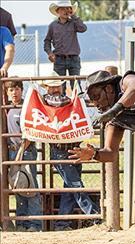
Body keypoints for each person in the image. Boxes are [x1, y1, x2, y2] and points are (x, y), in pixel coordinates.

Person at [42, 72, 100, 231]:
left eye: (56, 85)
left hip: (72, 149)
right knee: (76, 185)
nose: (54, 89)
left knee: (70, 187)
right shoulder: (48, 100)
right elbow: (65, 102)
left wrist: (77, 99)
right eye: (51, 86)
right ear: (46, 88)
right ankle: (95, 216)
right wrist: (77, 99)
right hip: (61, 150)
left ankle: (62, 223)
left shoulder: (58, 100)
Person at [6, 79, 43, 232]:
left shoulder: (25, 107)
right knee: (19, 185)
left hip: (24, 150)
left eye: (16, 89)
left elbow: (29, 130)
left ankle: (34, 223)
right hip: (12, 150)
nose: (14, 93)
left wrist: (21, 150)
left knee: (30, 185)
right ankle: (22, 221)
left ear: (21, 90)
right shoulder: (7, 108)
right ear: (7, 93)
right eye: (11, 90)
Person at [44, 0, 87, 89]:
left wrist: (74, 15)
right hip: (59, 59)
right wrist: (50, 53)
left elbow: (83, 28)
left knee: (76, 86)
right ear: (57, 11)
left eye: (68, 9)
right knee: (59, 86)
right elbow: (47, 41)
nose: (66, 11)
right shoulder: (52, 26)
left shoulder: (74, 23)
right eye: (63, 9)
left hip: (74, 59)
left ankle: (78, 102)